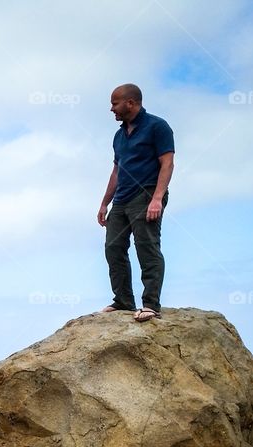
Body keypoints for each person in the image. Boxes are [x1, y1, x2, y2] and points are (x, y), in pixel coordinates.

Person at [97, 84, 174, 322]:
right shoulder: (119, 136)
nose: (111, 109)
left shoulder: (157, 126)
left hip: (146, 194)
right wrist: (104, 203)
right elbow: (116, 171)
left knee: (146, 247)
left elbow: (167, 163)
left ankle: (151, 305)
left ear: (130, 103)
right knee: (113, 248)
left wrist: (157, 198)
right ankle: (123, 301)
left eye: (115, 103)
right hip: (122, 199)